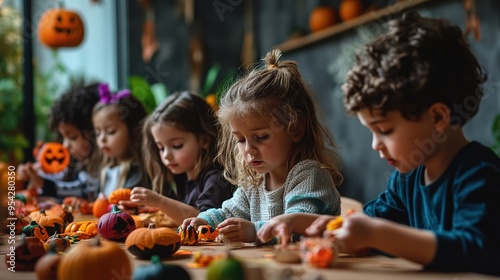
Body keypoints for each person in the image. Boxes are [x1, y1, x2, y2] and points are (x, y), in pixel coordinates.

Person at [261, 12, 500, 276]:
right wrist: (303, 222)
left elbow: (478, 251)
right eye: (371, 132)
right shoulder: (406, 180)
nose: (376, 145)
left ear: (438, 116)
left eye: (384, 130)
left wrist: (376, 234)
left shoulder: (479, 174)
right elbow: (364, 225)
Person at [181, 49, 343, 243]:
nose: (248, 149)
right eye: (240, 140)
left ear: (296, 130)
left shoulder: (310, 175)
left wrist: (254, 232)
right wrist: (202, 220)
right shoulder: (255, 182)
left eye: (261, 137)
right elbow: (229, 212)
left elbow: (297, 227)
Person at [129, 91, 234, 225]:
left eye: (176, 145)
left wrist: (159, 201)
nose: (166, 155)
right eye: (161, 148)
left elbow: (204, 222)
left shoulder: (216, 179)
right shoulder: (182, 176)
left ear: (204, 140)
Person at [17, 83, 102, 200]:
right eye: (63, 137)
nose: (65, 145)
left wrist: (42, 182)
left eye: (73, 137)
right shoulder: (76, 160)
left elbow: (82, 191)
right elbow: (61, 175)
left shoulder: (99, 166)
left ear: (94, 133)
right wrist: (37, 171)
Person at [92, 83, 148, 197]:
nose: (102, 139)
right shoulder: (104, 171)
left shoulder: (140, 173)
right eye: (98, 132)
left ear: (134, 132)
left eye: (110, 131)